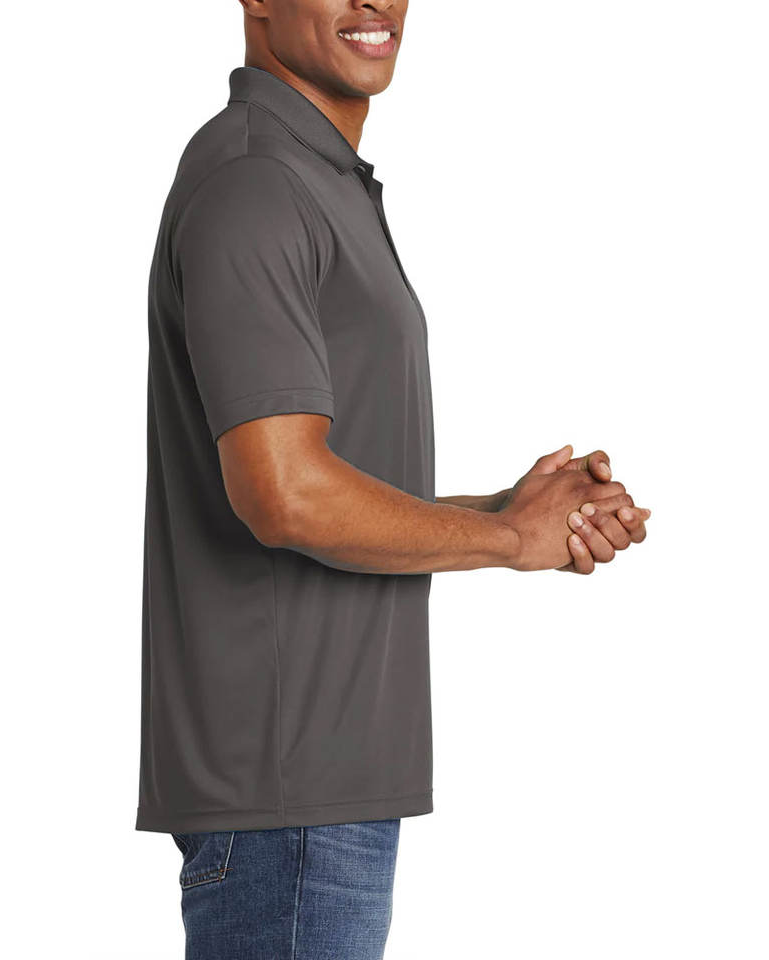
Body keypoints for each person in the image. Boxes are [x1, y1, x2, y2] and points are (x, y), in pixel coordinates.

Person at [138, 1, 652, 957]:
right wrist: (508, 540)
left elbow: (318, 479)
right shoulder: (257, 182)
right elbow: (284, 493)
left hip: (315, 801)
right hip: (290, 808)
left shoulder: (314, 177)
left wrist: (506, 512)